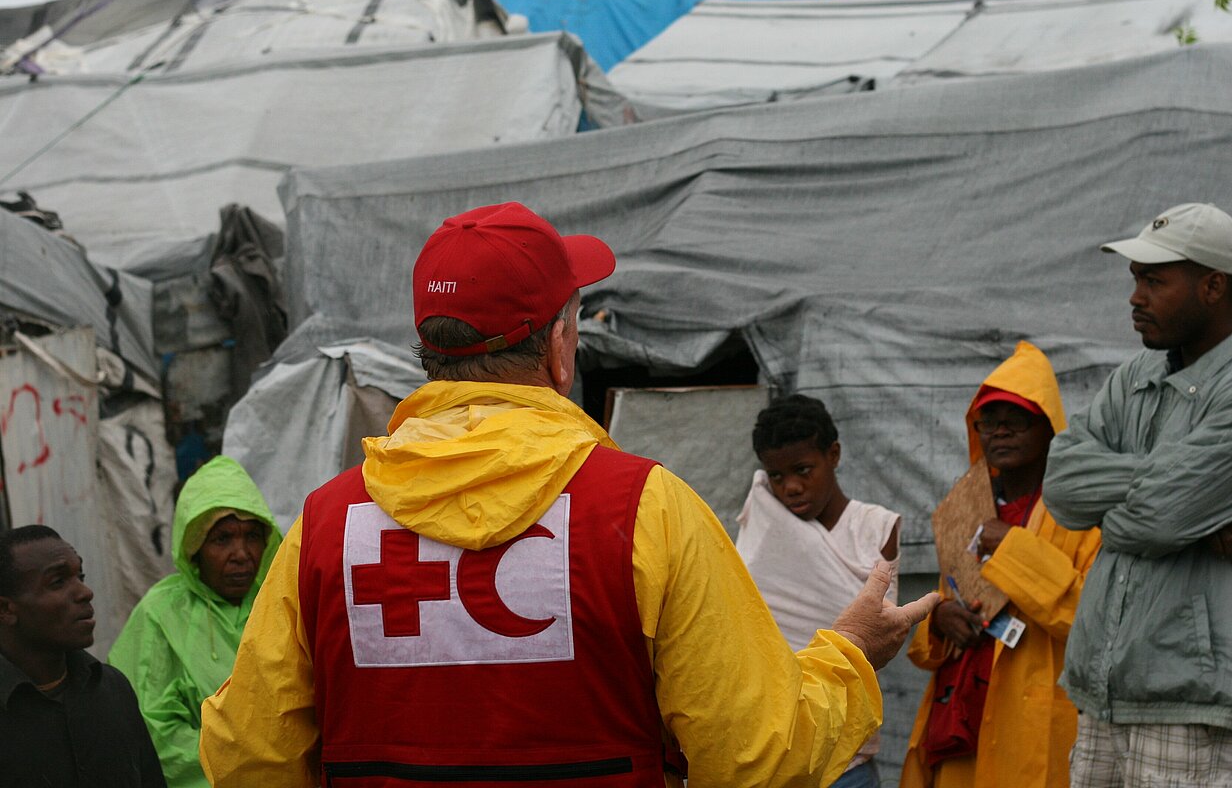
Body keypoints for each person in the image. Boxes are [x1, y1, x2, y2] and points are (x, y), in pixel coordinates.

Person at [200, 201, 939, 787]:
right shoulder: (648, 509)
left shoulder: (324, 527)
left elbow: (247, 754)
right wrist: (848, 655)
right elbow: (753, 756)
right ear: (559, 347)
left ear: (432, 352)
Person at [1043, 202, 1232, 788]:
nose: (1135, 296)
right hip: (1109, 686)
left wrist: (1157, 508)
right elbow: (1061, 487)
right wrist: (1185, 490)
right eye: (1135, 279)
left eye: (1154, 280)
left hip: (1195, 694)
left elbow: (1155, 519)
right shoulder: (1136, 376)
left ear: (1213, 286)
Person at [900, 341, 1102, 788]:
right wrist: (938, 619)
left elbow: (1095, 620)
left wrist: (1011, 548)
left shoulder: (1083, 513)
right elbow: (940, 607)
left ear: (1049, 428)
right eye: (989, 421)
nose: (1000, 432)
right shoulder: (965, 506)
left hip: (1031, 724)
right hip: (959, 723)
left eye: (1016, 421)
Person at [736, 393, 902, 788]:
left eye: (803, 470)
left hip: (850, 757)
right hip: (774, 748)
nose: (790, 487)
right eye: (777, 477)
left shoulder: (876, 527)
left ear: (834, 454)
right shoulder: (762, 513)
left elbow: (878, 631)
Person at [110, 455, 281, 788]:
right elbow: (153, 731)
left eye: (252, 536)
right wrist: (250, 764)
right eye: (222, 539)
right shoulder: (160, 614)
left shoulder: (282, 601)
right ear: (194, 548)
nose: (242, 553)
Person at [0, 524, 166, 787]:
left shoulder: (112, 688)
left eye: (81, 576)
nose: (84, 593)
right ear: (6, 609)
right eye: (58, 582)